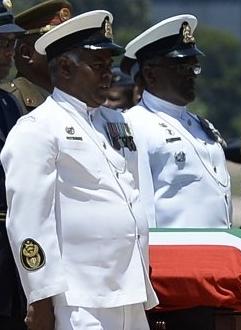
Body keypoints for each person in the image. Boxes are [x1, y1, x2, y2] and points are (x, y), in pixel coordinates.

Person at [1, 10, 158, 330]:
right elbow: (29, 223)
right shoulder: (38, 128)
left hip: (129, 293)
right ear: (65, 67)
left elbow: (132, 197)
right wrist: (40, 299)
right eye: (98, 65)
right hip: (78, 300)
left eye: (109, 65)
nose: (109, 75)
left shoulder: (116, 123)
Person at [121, 14, 232, 228]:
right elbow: (141, 209)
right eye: (182, 67)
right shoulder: (134, 125)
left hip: (217, 252)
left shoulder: (201, 125)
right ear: (150, 74)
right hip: (174, 255)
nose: (192, 74)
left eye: (194, 67)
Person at [0, 2, 27, 329]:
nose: (10, 53)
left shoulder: (9, 103)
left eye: (11, 44)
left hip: (11, 248)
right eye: (2, 44)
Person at [0, 0, 72, 115]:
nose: (67, 56)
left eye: (70, 47)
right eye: (57, 48)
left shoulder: (70, 102)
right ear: (26, 52)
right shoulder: (11, 103)